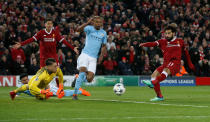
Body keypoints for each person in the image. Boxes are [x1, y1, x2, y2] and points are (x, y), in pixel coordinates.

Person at [139, 25, 195, 101]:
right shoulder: (162, 41)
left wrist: (190, 63)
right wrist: (144, 44)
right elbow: (153, 44)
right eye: (166, 33)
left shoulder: (180, 41)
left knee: (165, 71)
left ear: (174, 33)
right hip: (166, 63)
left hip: (175, 63)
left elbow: (186, 53)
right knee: (153, 75)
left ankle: (153, 83)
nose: (167, 35)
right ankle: (159, 96)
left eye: (169, 33)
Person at [13, 18, 79, 68]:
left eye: (50, 24)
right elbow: (32, 39)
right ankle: (43, 85)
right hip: (44, 57)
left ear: (52, 25)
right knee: (43, 73)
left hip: (53, 56)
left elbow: (64, 41)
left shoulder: (55, 33)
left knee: (57, 71)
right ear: (45, 25)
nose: (49, 25)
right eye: (48, 23)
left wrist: (73, 48)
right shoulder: (41, 33)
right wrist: (21, 44)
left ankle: (59, 86)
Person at [72, 16, 107, 100]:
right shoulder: (89, 28)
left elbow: (104, 46)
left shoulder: (103, 33)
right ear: (93, 22)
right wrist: (87, 22)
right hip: (85, 54)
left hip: (94, 58)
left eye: (100, 22)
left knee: (89, 79)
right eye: (96, 22)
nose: (98, 23)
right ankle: (75, 94)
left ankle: (78, 77)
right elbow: (78, 30)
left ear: (102, 23)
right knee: (83, 71)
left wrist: (101, 56)